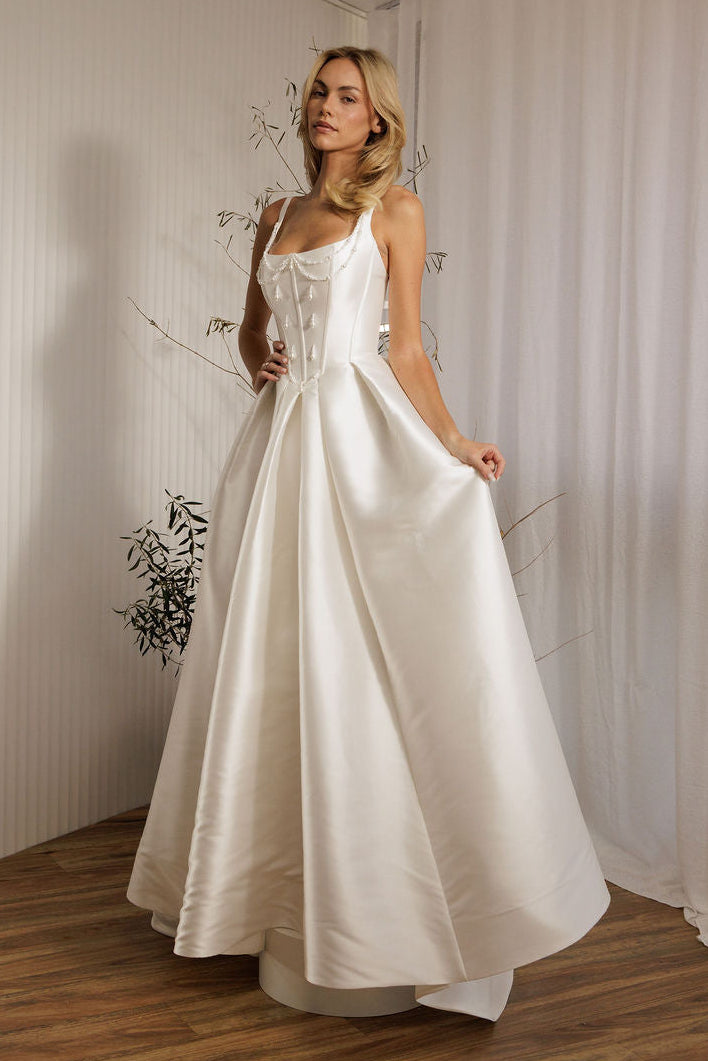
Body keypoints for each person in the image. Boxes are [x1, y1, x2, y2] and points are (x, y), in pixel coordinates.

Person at [127, 45, 610, 1022]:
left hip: (357, 439)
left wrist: (455, 438)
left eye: (347, 96)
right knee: (267, 655)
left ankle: (386, 910)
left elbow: (404, 348)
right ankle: (271, 898)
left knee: (360, 651)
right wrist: (260, 356)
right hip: (278, 447)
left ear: (377, 119)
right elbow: (249, 330)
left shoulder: (394, 208)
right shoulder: (275, 213)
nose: (325, 105)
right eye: (318, 90)